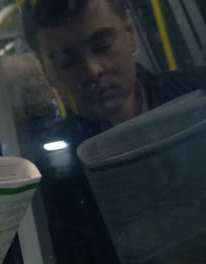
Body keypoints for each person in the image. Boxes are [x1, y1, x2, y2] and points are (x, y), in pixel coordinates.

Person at [21, 0, 206, 263]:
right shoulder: (46, 177)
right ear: (46, 70)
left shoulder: (200, 96)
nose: (93, 70)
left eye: (102, 46)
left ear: (130, 32)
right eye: (67, 60)